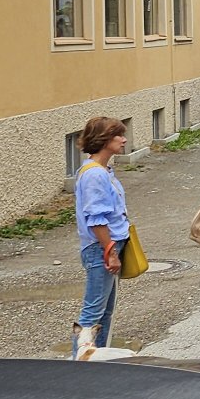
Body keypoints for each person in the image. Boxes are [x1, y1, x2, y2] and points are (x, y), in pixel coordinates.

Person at [72, 117, 131, 358]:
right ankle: (81, 364)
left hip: (107, 247)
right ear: (104, 139)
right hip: (101, 248)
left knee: (105, 312)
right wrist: (110, 252)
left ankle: (100, 360)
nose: (124, 140)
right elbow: (96, 219)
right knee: (93, 313)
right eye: (119, 135)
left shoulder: (103, 170)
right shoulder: (95, 174)